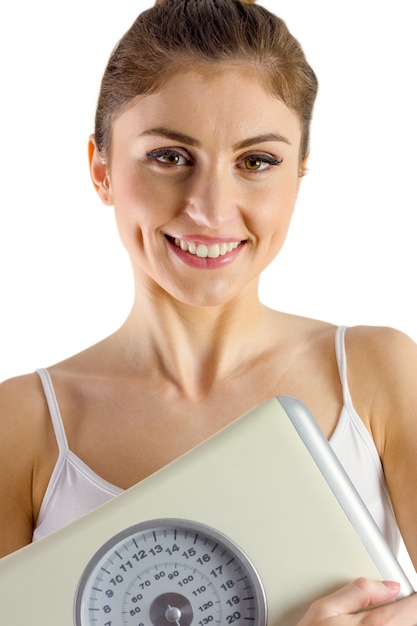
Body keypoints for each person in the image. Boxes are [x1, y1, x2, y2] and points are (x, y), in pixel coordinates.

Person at [1, 0, 417, 622]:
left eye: (257, 162)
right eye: (170, 156)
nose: (211, 209)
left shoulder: (376, 372)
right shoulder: (24, 424)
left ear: (298, 176)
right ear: (102, 169)